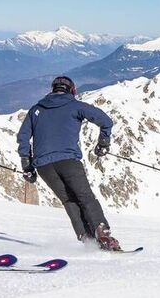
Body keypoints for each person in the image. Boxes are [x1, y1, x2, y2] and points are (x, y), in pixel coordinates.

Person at [18, 76, 120, 250]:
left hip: (43, 166)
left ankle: (88, 240)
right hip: (68, 161)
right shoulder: (75, 106)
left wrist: (27, 165)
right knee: (85, 197)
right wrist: (103, 143)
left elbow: (23, 137)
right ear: (72, 90)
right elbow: (106, 121)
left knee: (69, 200)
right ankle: (103, 236)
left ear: (52, 89)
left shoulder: (36, 110)